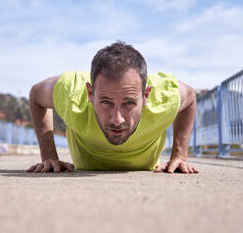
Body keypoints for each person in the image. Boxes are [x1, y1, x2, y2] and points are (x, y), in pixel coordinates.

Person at [27, 42, 198, 174]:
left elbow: (190, 97)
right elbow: (36, 95)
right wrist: (49, 156)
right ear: (90, 93)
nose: (117, 119)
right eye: (106, 102)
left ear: (146, 95)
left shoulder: (163, 97)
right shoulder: (72, 93)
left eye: (129, 103)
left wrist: (179, 155)